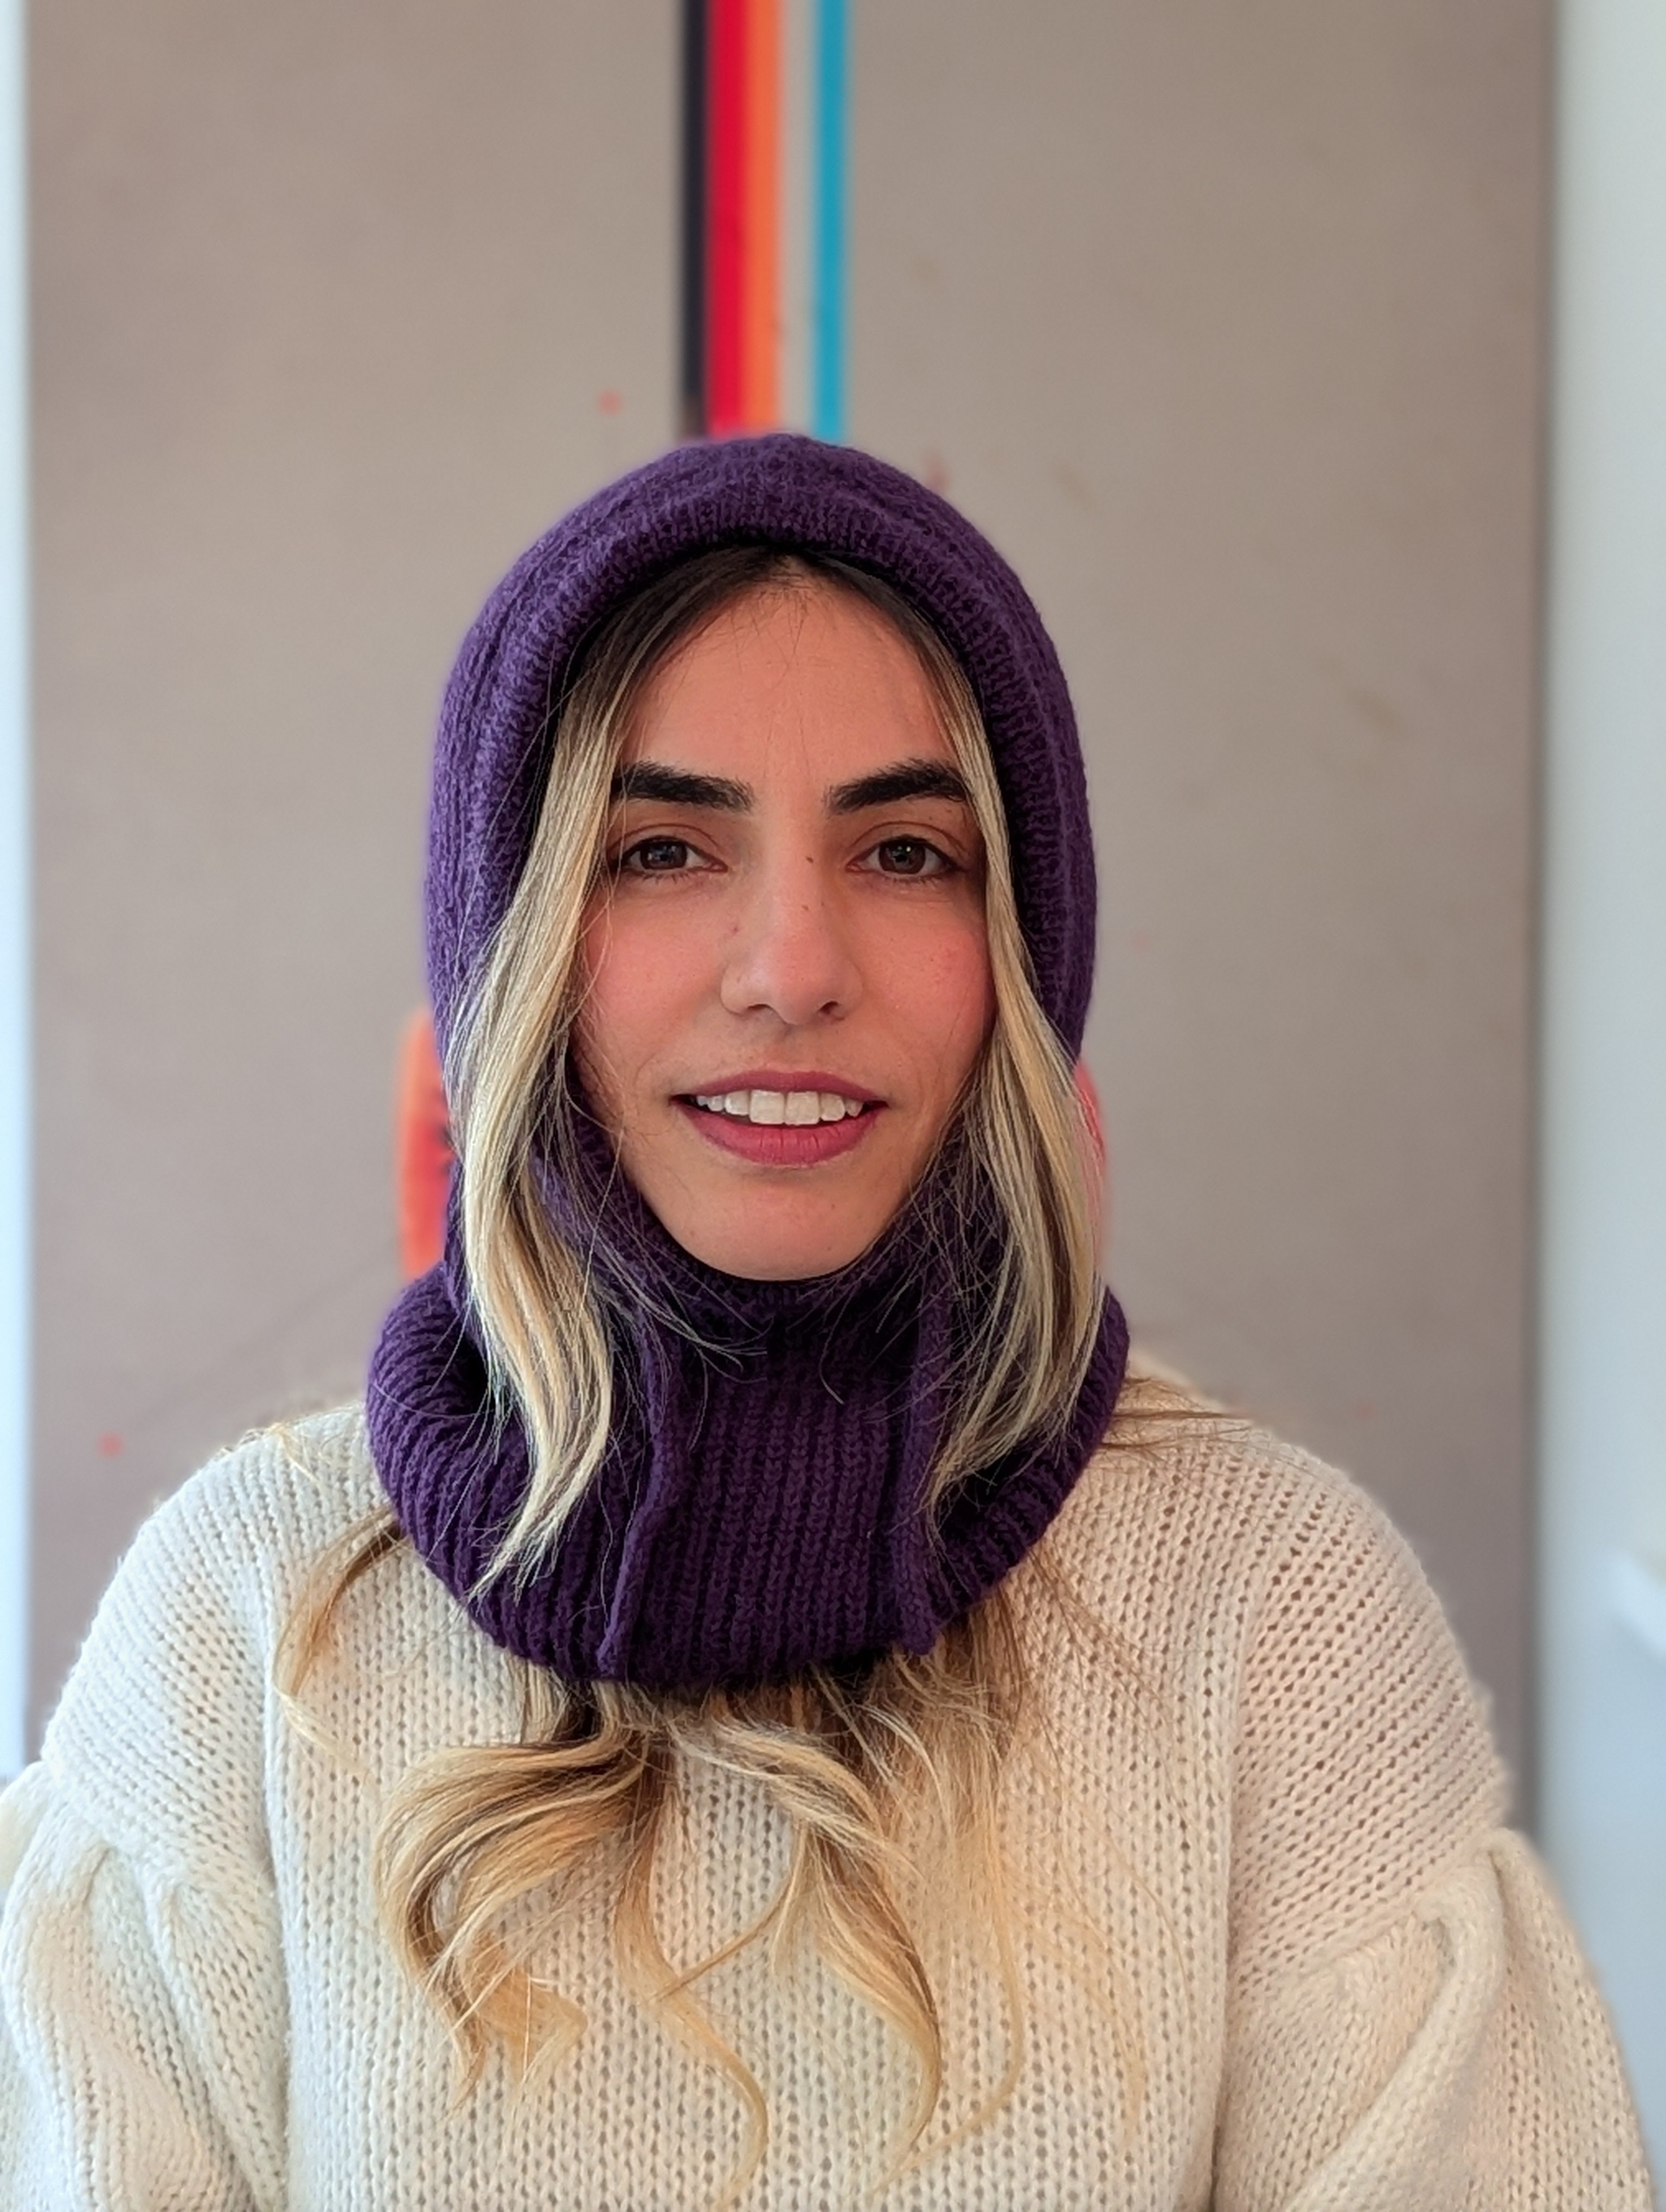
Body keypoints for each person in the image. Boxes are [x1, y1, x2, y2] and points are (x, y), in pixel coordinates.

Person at [0, 436, 1651, 2209]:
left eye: (907, 850)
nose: (791, 964)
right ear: (511, 941)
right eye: (658, 848)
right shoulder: (246, 1626)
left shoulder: (1278, 1615)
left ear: (1024, 944)